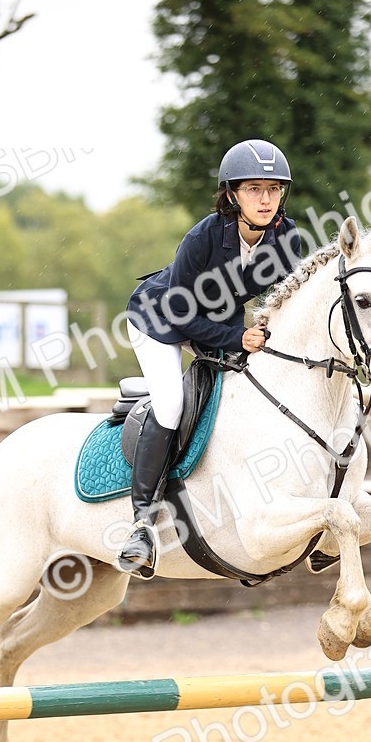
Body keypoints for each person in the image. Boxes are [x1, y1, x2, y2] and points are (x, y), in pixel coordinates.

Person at [117, 137, 301, 578]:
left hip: (220, 324)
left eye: (274, 189)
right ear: (232, 193)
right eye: (254, 188)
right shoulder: (202, 237)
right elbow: (178, 314)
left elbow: (291, 301)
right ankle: (142, 524)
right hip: (159, 319)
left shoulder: (287, 239)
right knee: (170, 405)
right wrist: (238, 338)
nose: (265, 199)